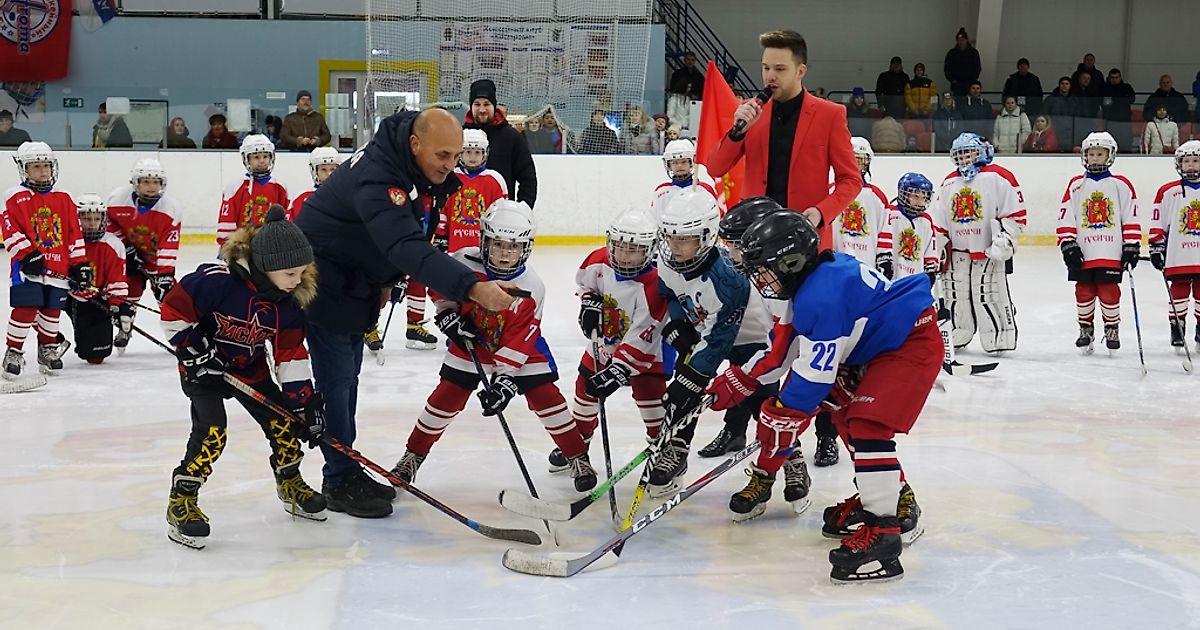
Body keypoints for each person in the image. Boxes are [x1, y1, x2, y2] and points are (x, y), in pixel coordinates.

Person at [295, 108, 519, 518]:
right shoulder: (381, 176)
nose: (451, 165)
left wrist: (384, 280)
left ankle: (344, 465)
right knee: (338, 378)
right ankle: (339, 476)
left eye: (456, 156)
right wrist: (471, 287)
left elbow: (401, 232)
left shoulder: (404, 160)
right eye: (443, 155)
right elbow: (405, 245)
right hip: (323, 283)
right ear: (416, 144)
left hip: (353, 280)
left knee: (347, 378)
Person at [736, 210, 939, 583]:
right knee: (844, 413)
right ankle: (882, 498)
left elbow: (813, 378)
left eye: (765, 269)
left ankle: (885, 531)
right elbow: (786, 350)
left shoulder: (820, 296)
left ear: (790, 262)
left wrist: (780, 416)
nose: (760, 279)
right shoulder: (814, 279)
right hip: (882, 348)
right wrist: (744, 379)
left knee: (867, 425)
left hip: (910, 342)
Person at [390, 200, 597, 491]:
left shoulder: (531, 285)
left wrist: (504, 382)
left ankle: (577, 457)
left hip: (519, 347)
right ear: (484, 240)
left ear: (526, 247)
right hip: (470, 341)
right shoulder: (462, 259)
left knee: (546, 397)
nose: (504, 253)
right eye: (497, 244)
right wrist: (447, 312)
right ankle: (412, 456)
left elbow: (519, 337)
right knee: (445, 399)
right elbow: (437, 283)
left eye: (513, 247)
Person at [159, 206, 327, 549]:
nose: (298, 280)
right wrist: (194, 350)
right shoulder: (216, 281)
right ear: (267, 267)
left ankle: (290, 481)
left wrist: (302, 405)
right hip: (203, 370)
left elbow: (291, 354)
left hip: (248, 369)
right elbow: (174, 310)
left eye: (302, 272)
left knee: (283, 422)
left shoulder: (289, 303)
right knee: (212, 432)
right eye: (291, 273)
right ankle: (183, 498)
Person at [648, 189, 772, 493]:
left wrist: (690, 377)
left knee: (765, 403)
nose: (674, 247)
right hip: (709, 331)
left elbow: (718, 341)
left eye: (684, 240)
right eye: (670, 237)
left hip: (752, 338)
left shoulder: (727, 280)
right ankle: (676, 451)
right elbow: (669, 293)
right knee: (684, 392)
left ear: (706, 237)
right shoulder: (667, 260)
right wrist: (679, 322)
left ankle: (790, 461)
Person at [706, 196, 813, 518]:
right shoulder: (748, 268)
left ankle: (791, 461)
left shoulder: (783, 277)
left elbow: (786, 344)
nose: (731, 253)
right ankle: (775, 464)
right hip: (761, 348)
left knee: (781, 409)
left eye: (736, 245)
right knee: (765, 406)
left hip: (792, 353)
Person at [707, 30, 862, 249]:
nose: (770, 76)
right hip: (753, 240)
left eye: (779, 69)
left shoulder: (830, 115)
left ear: (800, 71)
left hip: (804, 240)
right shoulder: (750, 110)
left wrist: (822, 211)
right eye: (766, 67)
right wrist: (736, 133)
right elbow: (715, 168)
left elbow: (851, 180)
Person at [558, 209, 668, 472]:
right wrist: (588, 302)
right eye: (619, 248)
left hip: (646, 353)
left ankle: (663, 453)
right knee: (585, 395)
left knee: (651, 402)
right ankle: (578, 449)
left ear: (650, 250)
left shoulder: (655, 284)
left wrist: (618, 369)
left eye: (634, 250)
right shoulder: (598, 261)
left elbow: (643, 334)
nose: (625, 256)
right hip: (602, 344)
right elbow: (586, 285)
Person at [929, 133, 1026, 353]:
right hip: (957, 253)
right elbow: (939, 219)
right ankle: (957, 334)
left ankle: (999, 335)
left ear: (982, 152)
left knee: (989, 294)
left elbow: (1015, 214)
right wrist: (937, 247)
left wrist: (1005, 239)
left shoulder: (999, 177)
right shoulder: (949, 182)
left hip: (988, 251)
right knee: (956, 296)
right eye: (959, 154)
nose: (963, 158)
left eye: (968, 153)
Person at [2, 142, 86, 378]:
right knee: (26, 308)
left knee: (52, 310)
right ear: (24, 169)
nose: (43, 171)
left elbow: (73, 232)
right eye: (36, 166)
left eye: (46, 166)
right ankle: (14, 351)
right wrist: (26, 253)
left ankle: (47, 349)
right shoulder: (14, 196)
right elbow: (10, 229)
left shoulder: (64, 197)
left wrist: (79, 263)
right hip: (27, 268)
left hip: (58, 266)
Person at [1056, 132, 1140, 355]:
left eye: (1100, 154)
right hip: (1084, 251)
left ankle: (1112, 329)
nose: (1094, 158)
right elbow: (1066, 216)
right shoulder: (1076, 185)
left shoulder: (1121, 185)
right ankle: (1086, 329)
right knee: (1083, 290)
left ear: (1109, 156)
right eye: (1091, 154)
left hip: (1110, 251)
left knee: (1109, 291)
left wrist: (1131, 245)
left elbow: (1130, 217)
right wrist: (1068, 244)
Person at [104, 158, 183, 353]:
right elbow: (110, 225)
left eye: (155, 182)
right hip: (131, 261)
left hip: (156, 261)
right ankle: (124, 329)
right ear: (136, 182)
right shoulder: (117, 200)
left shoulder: (171, 208)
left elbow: (169, 242)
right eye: (146, 181)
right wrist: (126, 251)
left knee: (169, 301)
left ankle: (179, 337)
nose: (151, 187)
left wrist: (164, 274)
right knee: (128, 298)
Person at [65, 194, 129, 365]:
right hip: (66, 294)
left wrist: (116, 305)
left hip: (95, 298)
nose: (92, 223)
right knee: (35, 303)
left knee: (95, 356)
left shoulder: (113, 244)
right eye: (85, 218)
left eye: (96, 218)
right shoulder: (65, 240)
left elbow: (116, 278)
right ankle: (52, 341)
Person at [1149, 141, 1200, 349]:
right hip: (1178, 254)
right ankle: (1177, 326)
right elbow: (1157, 221)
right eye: (1186, 161)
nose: (1191, 165)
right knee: (1178, 290)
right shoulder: (1168, 191)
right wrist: (1156, 246)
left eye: (1196, 161)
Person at [463, 79, 537, 207]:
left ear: (494, 106)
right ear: (471, 106)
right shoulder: (460, 136)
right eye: (477, 104)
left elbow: (528, 179)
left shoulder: (512, 137)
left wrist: (522, 210)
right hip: (463, 214)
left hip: (501, 215)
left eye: (486, 104)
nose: (482, 109)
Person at [833, 138, 894, 275]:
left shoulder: (878, 197)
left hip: (867, 267)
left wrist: (884, 258)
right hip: (836, 265)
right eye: (852, 158)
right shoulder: (830, 191)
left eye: (860, 160)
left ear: (867, 163)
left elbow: (884, 230)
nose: (856, 164)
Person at [216, 134, 289, 246]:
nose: (262, 161)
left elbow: (287, 217)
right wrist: (227, 245)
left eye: (265, 156)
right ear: (247, 159)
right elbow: (227, 219)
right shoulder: (235, 186)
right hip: (243, 246)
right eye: (256, 157)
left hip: (271, 244)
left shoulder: (279, 186)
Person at [889, 172, 940, 281]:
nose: (920, 202)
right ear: (904, 194)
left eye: (924, 198)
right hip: (891, 279)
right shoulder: (890, 214)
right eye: (916, 196)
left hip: (914, 282)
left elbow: (930, 250)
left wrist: (930, 270)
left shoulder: (926, 221)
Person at [652, 139, 719, 205]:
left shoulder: (704, 189)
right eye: (675, 162)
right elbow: (654, 214)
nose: (679, 166)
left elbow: (717, 212)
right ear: (668, 165)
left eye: (684, 161)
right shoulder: (662, 192)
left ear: (691, 162)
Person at [286, 147, 342, 222]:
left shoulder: (345, 196)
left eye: (333, 169)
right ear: (314, 171)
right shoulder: (301, 197)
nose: (329, 174)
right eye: (323, 169)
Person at [1101, 68, 1136, 152]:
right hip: (1110, 121)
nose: (1114, 79)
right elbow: (1103, 102)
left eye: (1116, 77)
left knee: (1126, 143)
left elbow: (1132, 99)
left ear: (1120, 78)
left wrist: (1117, 100)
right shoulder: (1105, 88)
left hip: (1124, 120)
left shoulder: (1126, 87)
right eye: (1112, 77)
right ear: (1109, 78)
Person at [1042, 77, 1077, 150]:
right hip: (1054, 129)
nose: (1064, 85)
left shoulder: (1075, 100)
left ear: (1070, 86)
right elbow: (1044, 114)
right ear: (1059, 85)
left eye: (1067, 84)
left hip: (1069, 131)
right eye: (1062, 83)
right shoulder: (1050, 99)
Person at [943, 28, 981, 96]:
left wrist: (973, 80)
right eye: (959, 40)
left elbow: (977, 67)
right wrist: (952, 79)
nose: (961, 42)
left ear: (966, 40)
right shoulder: (952, 53)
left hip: (970, 84)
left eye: (962, 40)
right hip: (956, 84)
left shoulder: (973, 53)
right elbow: (947, 68)